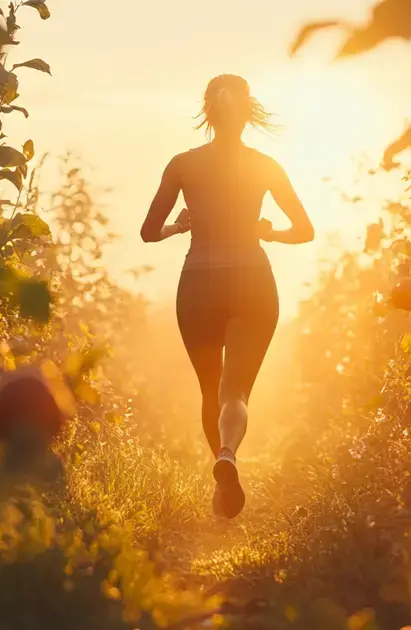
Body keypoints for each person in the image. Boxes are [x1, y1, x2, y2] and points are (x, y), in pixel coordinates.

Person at [139, 74, 314, 519]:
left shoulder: (182, 163)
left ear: (208, 111)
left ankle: (221, 484)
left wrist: (180, 226)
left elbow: (147, 233)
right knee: (235, 391)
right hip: (252, 283)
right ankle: (229, 455)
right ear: (248, 111)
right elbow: (305, 231)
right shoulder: (265, 165)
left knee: (209, 389)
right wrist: (267, 231)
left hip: (198, 286)